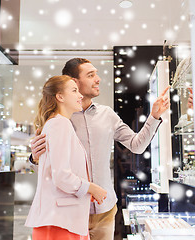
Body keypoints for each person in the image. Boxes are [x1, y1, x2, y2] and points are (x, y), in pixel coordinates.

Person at [30, 58, 170, 240]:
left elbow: (137, 145)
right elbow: (50, 171)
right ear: (72, 81)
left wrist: (154, 116)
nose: (98, 79)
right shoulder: (58, 120)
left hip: (105, 209)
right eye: (90, 75)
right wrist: (34, 158)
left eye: (96, 73)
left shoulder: (107, 115)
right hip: (69, 211)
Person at [25, 75, 107, 240]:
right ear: (60, 96)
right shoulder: (60, 124)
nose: (80, 95)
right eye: (74, 90)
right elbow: (61, 176)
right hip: (61, 222)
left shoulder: (57, 124)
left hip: (62, 220)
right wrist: (92, 188)